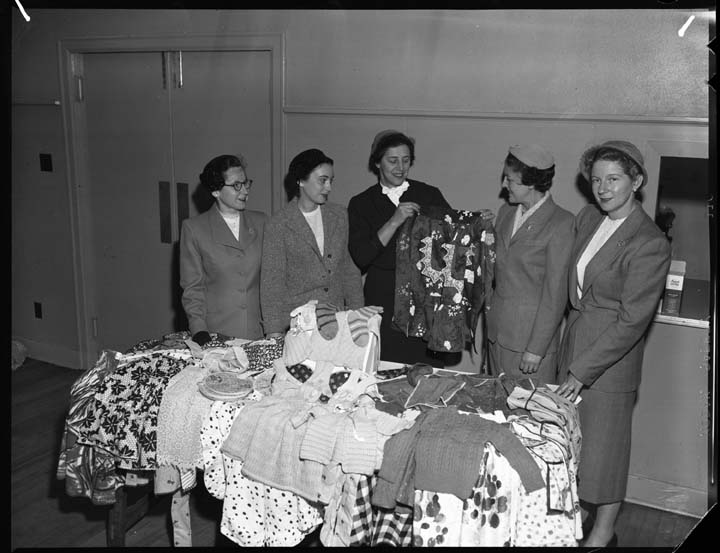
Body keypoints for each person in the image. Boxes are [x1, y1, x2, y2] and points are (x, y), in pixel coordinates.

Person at [555, 140, 671, 547]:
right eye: (596, 180)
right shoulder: (589, 217)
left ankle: (603, 534)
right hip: (574, 343)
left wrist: (581, 370)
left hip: (609, 362)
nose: (603, 188)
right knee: (572, 444)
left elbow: (632, 321)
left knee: (606, 453)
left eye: (614, 179)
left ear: (636, 182)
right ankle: (576, 517)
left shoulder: (649, 241)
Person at [348, 130, 454, 366]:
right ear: (377, 163)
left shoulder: (429, 194)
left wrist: (478, 223)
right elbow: (362, 256)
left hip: (425, 300)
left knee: (427, 371)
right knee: (385, 368)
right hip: (383, 299)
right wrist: (394, 221)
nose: (400, 167)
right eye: (392, 160)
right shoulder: (361, 203)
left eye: (406, 160)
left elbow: (452, 239)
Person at [485, 144, 574, 384]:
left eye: (510, 180)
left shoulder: (561, 223)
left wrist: (536, 349)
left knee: (526, 407)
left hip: (528, 345)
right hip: (496, 336)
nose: (504, 185)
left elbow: (555, 294)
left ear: (531, 183)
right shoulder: (505, 212)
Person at [261, 148, 364, 338]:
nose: (329, 187)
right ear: (301, 180)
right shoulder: (278, 224)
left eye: (331, 181)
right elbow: (272, 283)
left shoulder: (340, 215)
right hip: (297, 327)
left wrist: (358, 318)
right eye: (322, 180)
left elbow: (350, 272)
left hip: (336, 322)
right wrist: (274, 332)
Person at [179, 154, 267, 345]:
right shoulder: (194, 229)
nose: (245, 190)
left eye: (246, 183)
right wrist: (199, 330)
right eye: (236, 185)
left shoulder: (262, 222)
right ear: (216, 191)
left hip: (258, 333)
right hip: (217, 336)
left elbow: (273, 281)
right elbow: (193, 289)